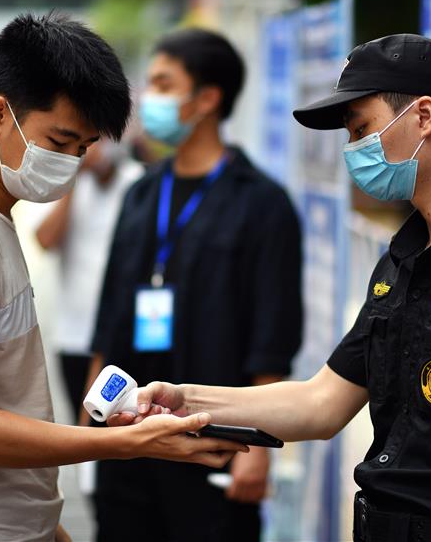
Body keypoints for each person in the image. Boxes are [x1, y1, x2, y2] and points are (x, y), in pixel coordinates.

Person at [119, 34, 431, 542]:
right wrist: (186, 399)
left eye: (361, 128)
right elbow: (320, 403)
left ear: (424, 117)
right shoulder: (402, 258)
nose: (353, 149)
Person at [0, 13, 246, 542]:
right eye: (58, 141)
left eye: (81, 149)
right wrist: (129, 443)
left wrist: (45, 521)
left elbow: (4, 404)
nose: (68, 162)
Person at [86, 28, 303, 542]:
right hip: (128, 435)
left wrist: (261, 450)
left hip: (214, 442)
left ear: (207, 98)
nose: (149, 98)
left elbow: (272, 336)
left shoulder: (263, 203)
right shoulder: (142, 194)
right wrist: (88, 430)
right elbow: (111, 309)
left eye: (164, 84)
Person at [35, 140, 144, 418]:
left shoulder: (139, 183)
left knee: (120, 424)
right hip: (74, 336)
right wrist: (73, 180)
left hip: (122, 335)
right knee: (83, 423)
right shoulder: (69, 187)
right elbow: (45, 239)